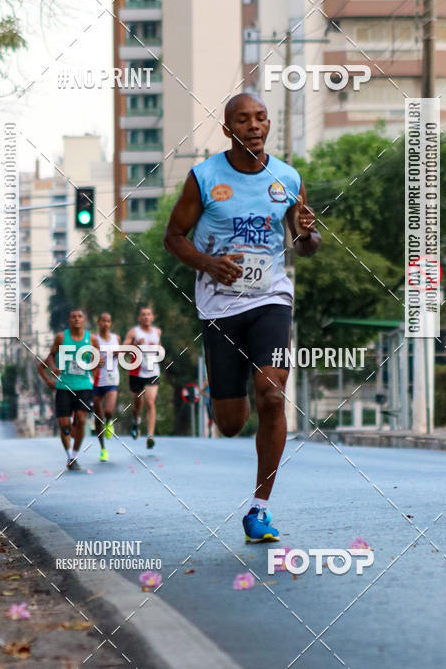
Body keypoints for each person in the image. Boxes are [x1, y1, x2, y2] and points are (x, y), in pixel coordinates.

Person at [164, 93, 320, 543]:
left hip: (270, 296)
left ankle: (260, 508)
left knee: (272, 395)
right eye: (243, 120)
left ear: (268, 125)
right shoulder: (205, 178)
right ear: (229, 129)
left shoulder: (287, 178)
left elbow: (305, 245)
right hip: (219, 305)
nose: (254, 126)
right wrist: (208, 263)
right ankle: (225, 384)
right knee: (231, 422)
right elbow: (173, 236)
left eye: (260, 118)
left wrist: (308, 234)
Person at [38, 309, 101, 471]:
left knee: (81, 420)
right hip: (64, 386)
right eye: (73, 316)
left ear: (84, 319)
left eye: (79, 316)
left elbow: (97, 359)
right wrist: (53, 369)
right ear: (69, 320)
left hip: (84, 386)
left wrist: (92, 376)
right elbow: (50, 356)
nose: (76, 319)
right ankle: (68, 452)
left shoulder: (92, 339)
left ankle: (73, 457)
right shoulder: (61, 338)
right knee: (64, 425)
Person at [124, 306, 162, 449]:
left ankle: (150, 436)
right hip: (137, 372)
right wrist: (134, 344)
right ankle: (136, 421)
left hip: (152, 371)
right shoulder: (134, 332)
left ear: (152, 317)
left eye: (148, 315)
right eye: (143, 315)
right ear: (139, 318)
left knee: (150, 402)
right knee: (137, 403)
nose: (146, 317)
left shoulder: (157, 332)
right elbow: (124, 349)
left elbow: (159, 348)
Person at [93, 312, 121, 462]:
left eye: (108, 321)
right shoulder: (93, 339)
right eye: (103, 321)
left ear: (111, 323)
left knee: (109, 410)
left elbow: (122, 354)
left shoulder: (116, 338)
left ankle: (109, 422)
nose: (105, 324)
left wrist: (118, 352)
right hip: (96, 380)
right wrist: (95, 362)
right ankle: (103, 448)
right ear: (98, 322)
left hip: (111, 379)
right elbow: (86, 357)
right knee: (98, 416)